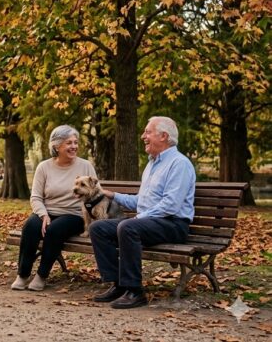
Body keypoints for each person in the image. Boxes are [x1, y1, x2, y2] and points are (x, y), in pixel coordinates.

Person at [89, 116, 195, 309]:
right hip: (152, 222)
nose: (143, 136)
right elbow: (141, 202)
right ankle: (119, 284)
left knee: (128, 227)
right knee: (98, 228)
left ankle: (135, 291)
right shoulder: (152, 164)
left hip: (173, 224)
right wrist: (112, 195)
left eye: (148, 132)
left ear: (163, 136)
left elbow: (170, 205)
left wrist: (139, 217)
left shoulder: (179, 164)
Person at [12, 125, 97, 291]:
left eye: (75, 142)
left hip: (75, 215)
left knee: (54, 230)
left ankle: (41, 275)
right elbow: (36, 197)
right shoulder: (44, 167)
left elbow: (94, 194)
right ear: (56, 146)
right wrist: (43, 215)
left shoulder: (85, 166)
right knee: (30, 227)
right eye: (69, 143)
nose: (74, 146)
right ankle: (23, 274)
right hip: (48, 212)